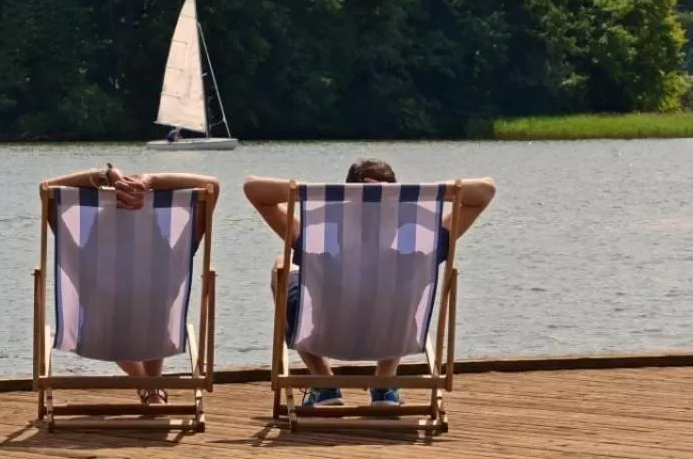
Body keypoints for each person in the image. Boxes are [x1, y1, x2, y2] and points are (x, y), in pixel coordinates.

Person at [243, 159, 495, 409]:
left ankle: (324, 384)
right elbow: (486, 190)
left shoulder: (318, 237)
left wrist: (315, 194)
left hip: (325, 335)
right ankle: (384, 386)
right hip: (392, 337)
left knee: (282, 266)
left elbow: (253, 188)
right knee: (403, 286)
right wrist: (435, 193)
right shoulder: (421, 239)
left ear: (349, 195)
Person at [39, 163, 221, 407]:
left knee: (115, 317)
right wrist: (150, 180)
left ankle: (142, 382)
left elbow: (46, 189)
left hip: (101, 340)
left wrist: (104, 176)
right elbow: (212, 186)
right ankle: (153, 388)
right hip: (155, 336)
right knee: (152, 311)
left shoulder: (82, 258)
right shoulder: (172, 258)